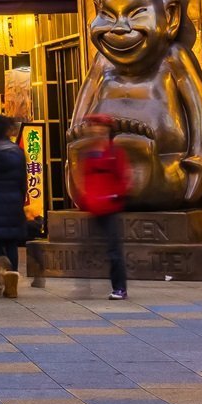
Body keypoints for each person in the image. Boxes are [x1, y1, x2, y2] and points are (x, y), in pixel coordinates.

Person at [70, 115, 130, 300]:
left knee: (113, 250)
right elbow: (83, 177)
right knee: (85, 248)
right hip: (93, 206)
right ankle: (83, 287)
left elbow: (125, 177)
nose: (95, 131)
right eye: (93, 127)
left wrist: (116, 195)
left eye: (99, 128)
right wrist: (85, 198)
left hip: (110, 206)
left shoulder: (115, 152)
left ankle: (119, 288)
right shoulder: (88, 153)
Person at [0, 115, 31, 298]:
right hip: (13, 200)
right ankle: (12, 281)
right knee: (12, 243)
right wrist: (20, 199)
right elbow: (23, 181)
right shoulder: (17, 151)